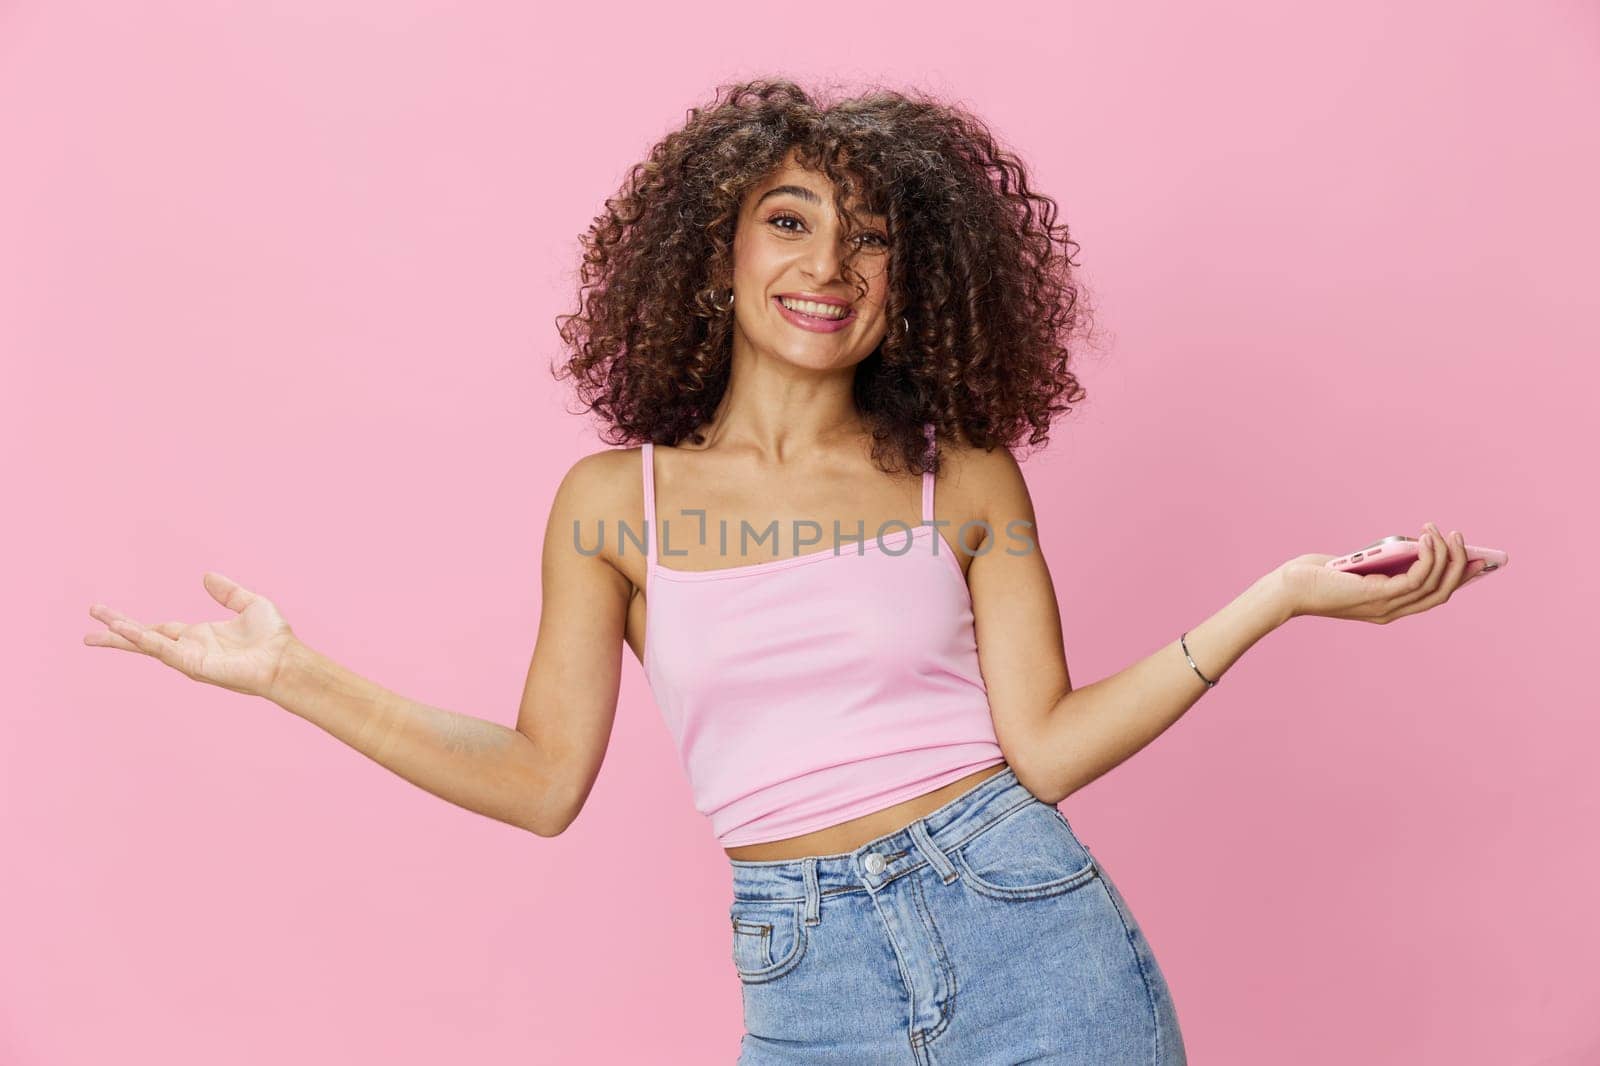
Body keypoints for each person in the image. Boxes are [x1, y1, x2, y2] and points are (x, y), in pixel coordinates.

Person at [84, 78, 1491, 1065]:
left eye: (872, 234)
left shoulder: (963, 473)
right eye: (793, 219)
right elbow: (538, 777)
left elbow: (1048, 747)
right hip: (801, 972)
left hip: (1035, 936)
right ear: (717, 252)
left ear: (913, 275)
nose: (832, 262)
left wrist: (1281, 595)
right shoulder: (610, 506)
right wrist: (291, 674)